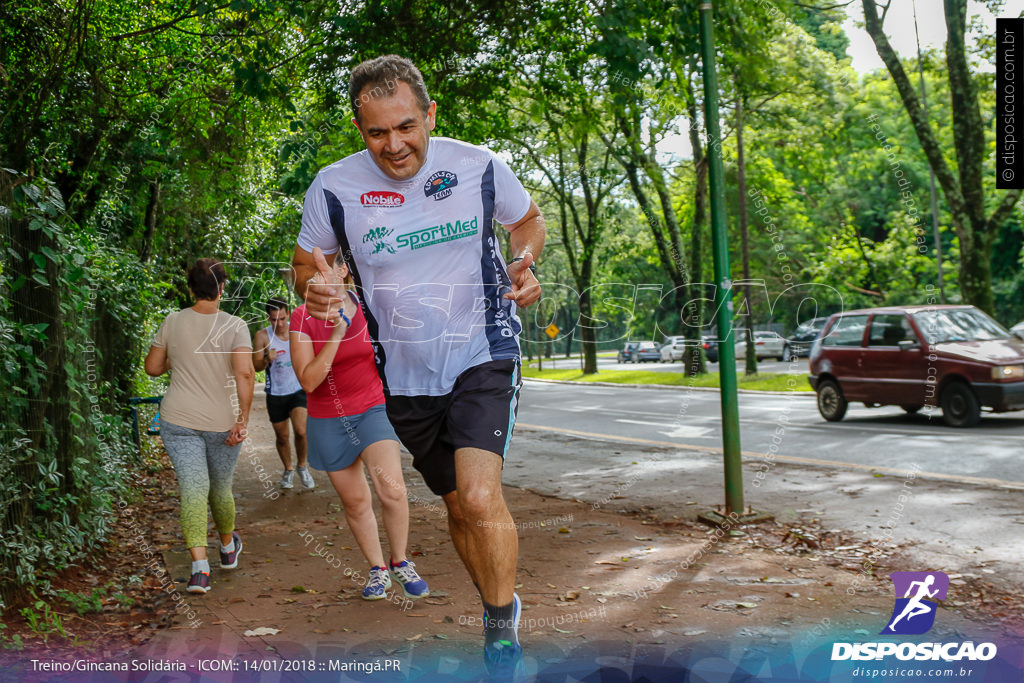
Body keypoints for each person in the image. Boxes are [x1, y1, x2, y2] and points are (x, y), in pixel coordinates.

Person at [290, 55, 545, 674]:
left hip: (483, 349)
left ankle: (500, 621)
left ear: (430, 115)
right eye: (378, 132)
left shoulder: (479, 166)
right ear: (360, 129)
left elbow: (528, 222)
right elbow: (305, 265)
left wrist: (525, 261)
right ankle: (493, 602)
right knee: (458, 506)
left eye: (406, 127)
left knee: (482, 498)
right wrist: (316, 290)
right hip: (402, 375)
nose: (394, 144)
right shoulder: (333, 186)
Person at [289, 258, 429, 602]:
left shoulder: (371, 305)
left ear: (344, 271)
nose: (317, 275)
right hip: (327, 417)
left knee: (391, 490)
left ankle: (400, 561)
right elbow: (308, 380)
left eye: (326, 267)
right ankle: (377, 569)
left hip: (372, 408)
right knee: (355, 502)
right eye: (311, 270)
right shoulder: (300, 318)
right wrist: (337, 331)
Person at [144, 258, 254, 594]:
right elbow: (245, 374)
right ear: (222, 289)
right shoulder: (236, 325)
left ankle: (199, 570)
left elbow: (152, 368)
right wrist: (242, 420)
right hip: (222, 422)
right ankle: (226, 547)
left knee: (193, 489)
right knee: (219, 489)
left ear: (190, 289)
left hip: (178, 420)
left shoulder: (173, 321)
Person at [252, 297, 313, 490]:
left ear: (288, 314)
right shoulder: (262, 337)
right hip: (275, 393)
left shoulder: (298, 331)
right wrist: (266, 359)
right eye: (274, 320)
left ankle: (302, 466)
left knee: (301, 431)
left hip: (297, 389)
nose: (279, 324)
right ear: (268, 318)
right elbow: (255, 366)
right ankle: (288, 470)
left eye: (282, 319)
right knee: (282, 437)